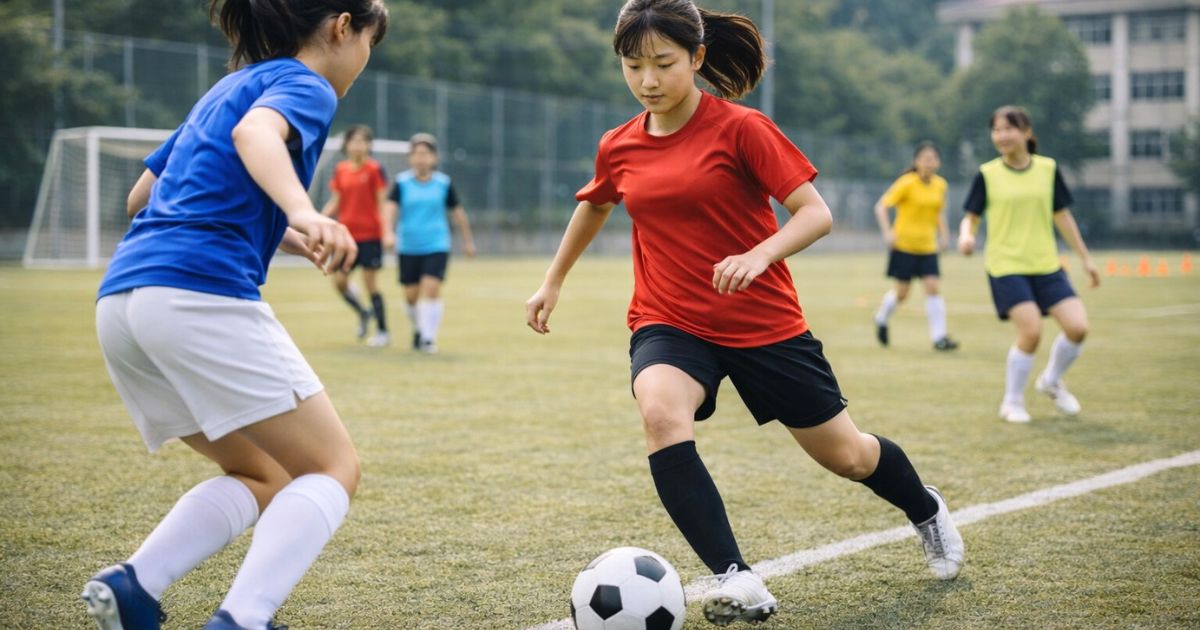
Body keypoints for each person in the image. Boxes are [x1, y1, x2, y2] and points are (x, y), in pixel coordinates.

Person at [524, 1, 963, 625]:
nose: (648, 80)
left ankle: (925, 508)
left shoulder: (743, 129)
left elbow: (815, 213)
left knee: (849, 456)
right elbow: (596, 204)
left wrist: (760, 254)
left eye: (663, 63)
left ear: (697, 57)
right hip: (669, 319)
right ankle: (738, 577)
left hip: (764, 325)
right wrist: (553, 280)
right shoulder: (618, 144)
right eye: (633, 65)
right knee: (660, 413)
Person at [82, 1, 387, 629]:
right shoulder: (307, 83)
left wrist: (282, 233)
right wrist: (303, 212)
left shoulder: (229, 86)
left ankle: (134, 586)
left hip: (123, 302)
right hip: (197, 294)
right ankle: (244, 619)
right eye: (369, 43)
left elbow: (143, 196)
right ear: (342, 27)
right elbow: (255, 137)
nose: (364, 61)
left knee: (262, 471)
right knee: (332, 468)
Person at [959, 105, 1099, 424]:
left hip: (1046, 264)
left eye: (1008, 129)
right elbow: (971, 217)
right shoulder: (987, 174)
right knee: (1032, 331)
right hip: (1006, 265)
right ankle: (1012, 402)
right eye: (996, 130)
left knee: (1078, 328)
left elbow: (1063, 217)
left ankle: (1051, 380)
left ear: (1026, 132)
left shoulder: (1048, 169)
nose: (1001, 136)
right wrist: (966, 237)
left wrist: (1086, 259)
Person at [385, 132, 476, 353]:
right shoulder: (401, 183)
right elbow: (389, 209)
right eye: (417, 154)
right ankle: (419, 328)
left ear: (434, 158)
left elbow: (458, 213)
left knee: (432, 288)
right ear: (410, 158)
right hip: (408, 245)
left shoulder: (443, 184)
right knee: (411, 296)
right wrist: (387, 232)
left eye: (425, 154)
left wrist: (468, 241)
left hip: (436, 244)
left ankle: (428, 338)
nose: (421, 158)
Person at [872, 142, 959, 351]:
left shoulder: (941, 185)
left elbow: (939, 212)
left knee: (933, 287)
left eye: (933, 159)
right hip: (904, 246)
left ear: (938, 162)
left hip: (928, 247)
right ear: (917, 161)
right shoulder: (907, 183)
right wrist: (887, 232)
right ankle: (881, 317)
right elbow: (881, 206)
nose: (929, 163)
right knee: (902, 293)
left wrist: (944, 236)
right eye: (925, 159)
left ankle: (939, 338)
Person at [322, 124, 392, 347]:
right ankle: (363, 312)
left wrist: (387, 232)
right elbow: (335, 202)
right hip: (346, 237)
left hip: (370, 236)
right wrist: (317, 219)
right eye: (354, 141)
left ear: (369, 145)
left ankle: (383, 332)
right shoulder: (341, 170)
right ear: (347, 145)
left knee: (370, 283)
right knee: (339, 282)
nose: (358, 145)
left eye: (362, 141)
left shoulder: (375, 170)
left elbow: (382, 204)